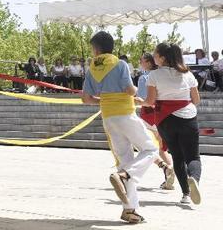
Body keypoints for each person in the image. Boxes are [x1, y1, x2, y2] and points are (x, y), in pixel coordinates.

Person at [81, 31, 157, 224]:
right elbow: (129, 90)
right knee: (151, 149)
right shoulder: (120, 63)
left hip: (108, 117)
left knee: (124, 161)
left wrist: (105, 97)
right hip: (125, 113)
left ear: (96, 49)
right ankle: (125, 176)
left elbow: (86, 99)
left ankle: (130, 210)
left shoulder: (91, 68)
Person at [145, 43, 202, 205]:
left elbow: (150, 101)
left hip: (165, 120)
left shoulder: (154, 75)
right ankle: (194, 179)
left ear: (162, 58)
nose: (153, 57)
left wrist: (137, 101)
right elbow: (196, 100)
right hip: (188, 117)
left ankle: (185, 194)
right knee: (193, 156)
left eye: (155, 55)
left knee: (177, 156)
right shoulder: (188, 74)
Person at [134, 53, 176, 190]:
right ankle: (170, 170)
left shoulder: (144, 78)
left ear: (147, 62)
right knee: (163, 149)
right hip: (163, 115)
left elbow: (141, 98)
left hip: (148, 116)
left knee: (143, 146)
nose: (140, 62)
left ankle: (128, 174)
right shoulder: (162, 75)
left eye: (141, 60)